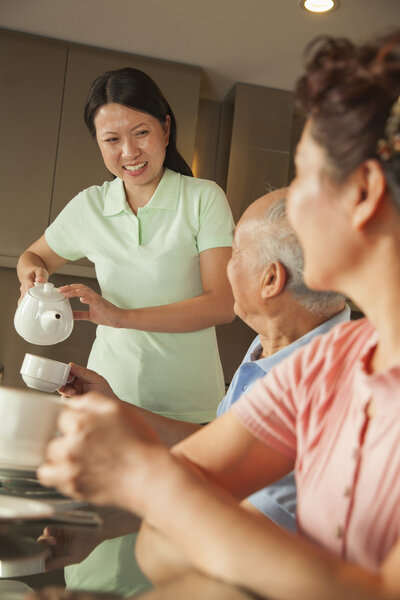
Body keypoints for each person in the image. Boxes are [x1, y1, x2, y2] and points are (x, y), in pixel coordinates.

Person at [34, 29, 400, 599]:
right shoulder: (320, 362)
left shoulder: (201, 200)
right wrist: (103, 517)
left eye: (303, 176)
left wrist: (141, 477)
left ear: (364, 194)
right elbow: (203, 470)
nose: (289, 202)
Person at [35, 189, 347, 583]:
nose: (225, 269)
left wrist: (123, 478)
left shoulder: (325, 387)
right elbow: (223, 457)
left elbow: (244, 532)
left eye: (234, 254)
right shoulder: (273, 347)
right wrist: (94, 525)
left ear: (270, 280)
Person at [17, 67, 235, 596]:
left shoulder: (201, 198)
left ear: (166, 128)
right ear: (98, 144)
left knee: (176, 555)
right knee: (98, 557)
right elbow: (35, 253)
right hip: (107, 399)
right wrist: (33, 278)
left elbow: (221, 304)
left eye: (140, 132)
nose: (128, 151)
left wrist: (119, 316)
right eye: (111, 139)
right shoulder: (93, 205)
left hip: (187, 410)